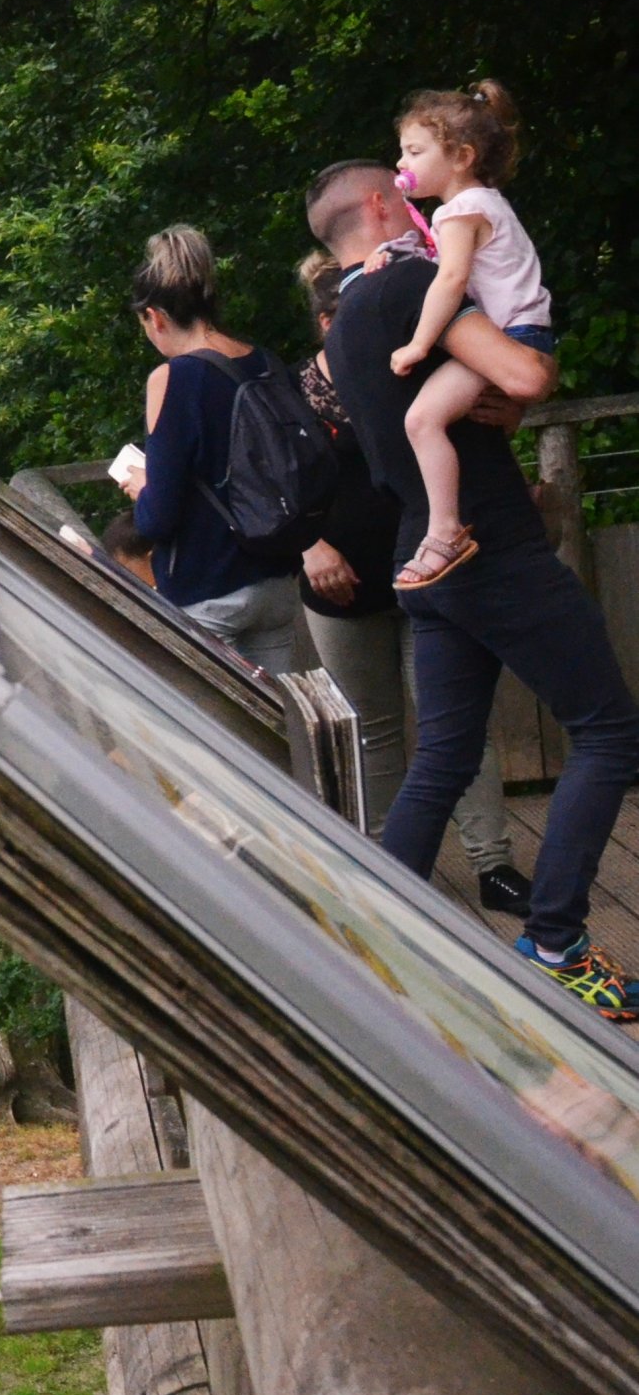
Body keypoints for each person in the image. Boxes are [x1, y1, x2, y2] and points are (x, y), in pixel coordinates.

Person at [312, 157, 638, 1016]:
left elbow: (470, 395)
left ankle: (377, 939)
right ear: (383, 203)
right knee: (609, 731)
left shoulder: (342, 320)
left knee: (444, 757)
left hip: (420, 556)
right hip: (487, 548)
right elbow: (525, 372)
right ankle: (555, 939)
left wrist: (501, 394)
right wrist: (527, 382)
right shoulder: (413, 282)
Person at [291, 261, 530, 916]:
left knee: (457, 725)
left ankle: (493, 865)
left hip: (432, 577)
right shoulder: (291, 394)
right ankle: (390, 875)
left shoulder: (411, 374)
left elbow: (491, 423)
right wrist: (308, 546)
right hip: (343, 594)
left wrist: (507, 415)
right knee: (373, 732)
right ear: (324, 323)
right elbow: (266, 491)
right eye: (351, 315)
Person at [385, 81, 558, 586]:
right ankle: (524, 496)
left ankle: (443, 531)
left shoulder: (459, 211)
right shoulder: (487, 203)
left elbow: (451, 279)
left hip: (508, 337)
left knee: (422, 420)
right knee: (469, 423)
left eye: (414, 151)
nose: (401, 162)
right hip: (528, 334)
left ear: (461, 156)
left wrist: (418, 342)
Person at [111, 226, 299, 671]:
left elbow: (160, 516)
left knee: (212, 737)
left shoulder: (173, 379)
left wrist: (142, 487)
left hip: (209, 592)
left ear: (154, 316)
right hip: (276, 580)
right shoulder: (263, 362)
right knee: (282, 734)